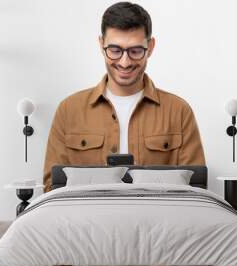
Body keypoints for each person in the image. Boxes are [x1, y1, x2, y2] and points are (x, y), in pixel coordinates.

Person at [43, 2, 205, 193]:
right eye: (115, 50)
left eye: (135, 51)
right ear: (101, 45)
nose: (125, 62)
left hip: (156, 221)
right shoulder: (68, 110)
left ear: (150, 47)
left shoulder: (179, 111)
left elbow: (196, 189)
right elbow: (51, 188)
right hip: (88, 221)